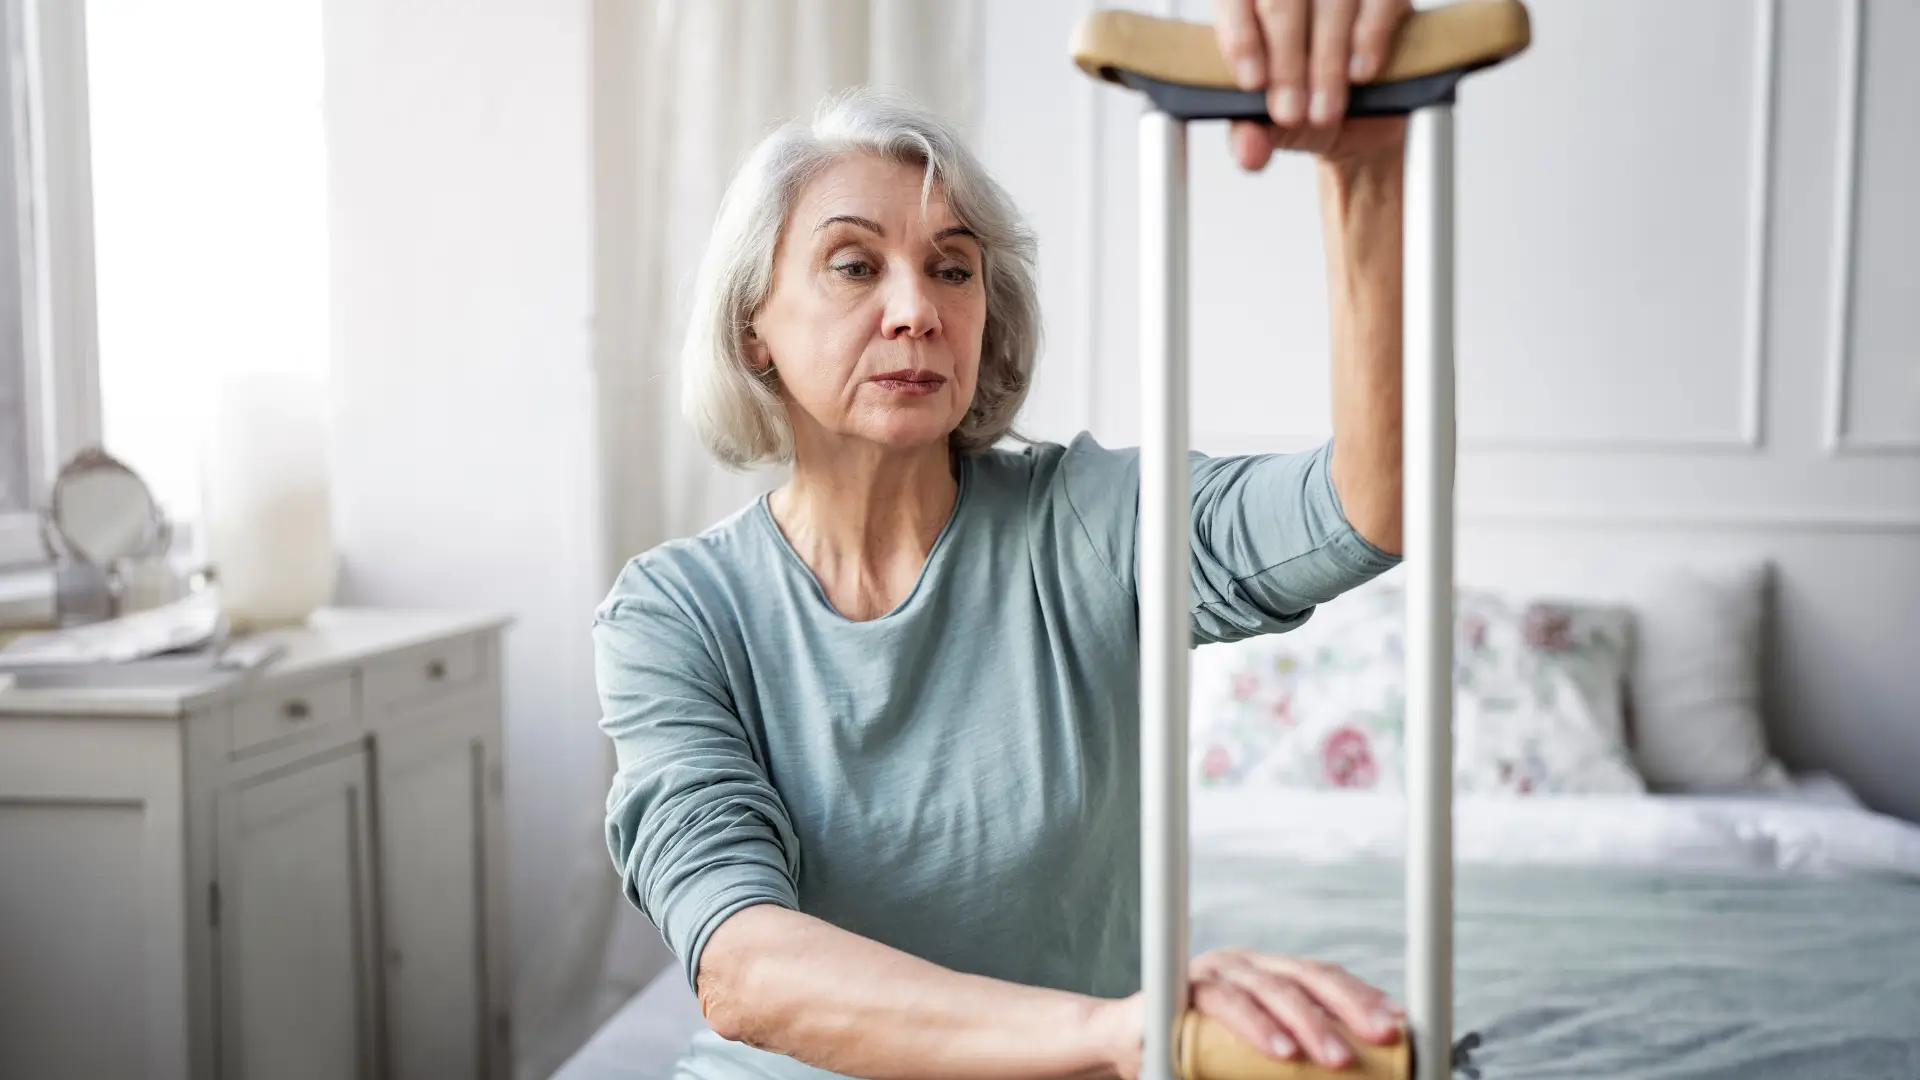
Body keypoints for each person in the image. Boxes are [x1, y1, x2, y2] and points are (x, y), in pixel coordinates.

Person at [595, 2, 1415, 1076]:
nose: (916, 311)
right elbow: (740, 965)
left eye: (952, 267)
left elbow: (1365, 508)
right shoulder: (674, 613)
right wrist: (1111, 1031)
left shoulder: (1086, 522)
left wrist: (1366, 182)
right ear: (755, 322)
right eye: (854, 265)